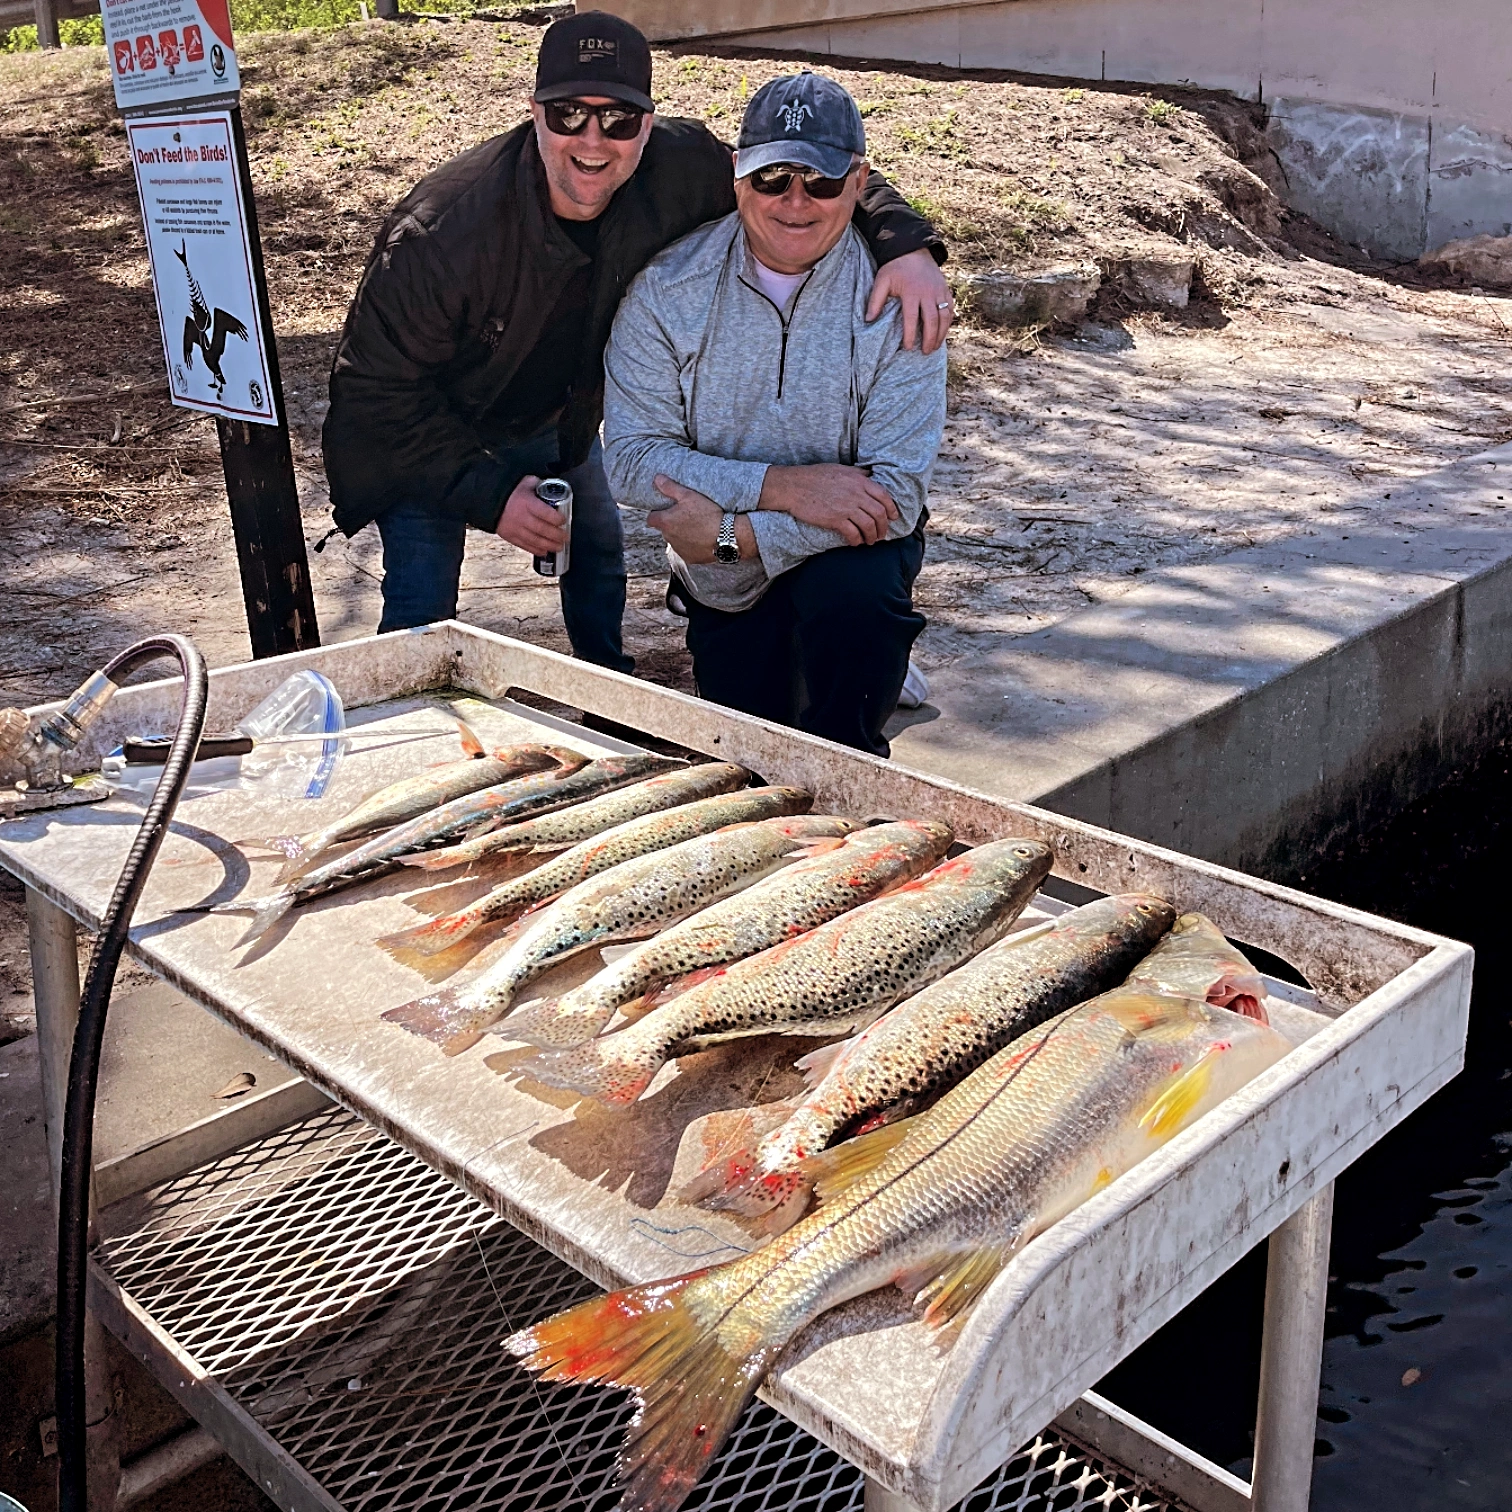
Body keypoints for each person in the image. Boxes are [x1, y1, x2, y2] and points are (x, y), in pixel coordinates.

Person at [322, 12, 955, 671]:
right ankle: (402, 732)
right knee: (420, 610)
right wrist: (492, 494)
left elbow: (809, 174)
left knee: (596, 549)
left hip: (550, 414)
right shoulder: (440, 234)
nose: (593, 140)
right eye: (569, 113)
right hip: (426, 430)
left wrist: (904, 244)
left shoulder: (680, 167)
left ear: (646, 124)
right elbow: (373, 394)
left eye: (619, 119)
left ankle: (611, 694)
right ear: (534, 114)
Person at [603, 71, 947, 756]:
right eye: (772, 178)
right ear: (737, 175)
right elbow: (632, 461)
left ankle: (857, 766)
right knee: (749, 749)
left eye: (820, 182)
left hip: (827, 557)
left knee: (858, 615)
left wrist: (733, 530)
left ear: (858, 180)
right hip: (721, 577)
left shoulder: (904, 303)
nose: (795, 201)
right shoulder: (667, 290)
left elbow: (897, 497)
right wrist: (785, 489)